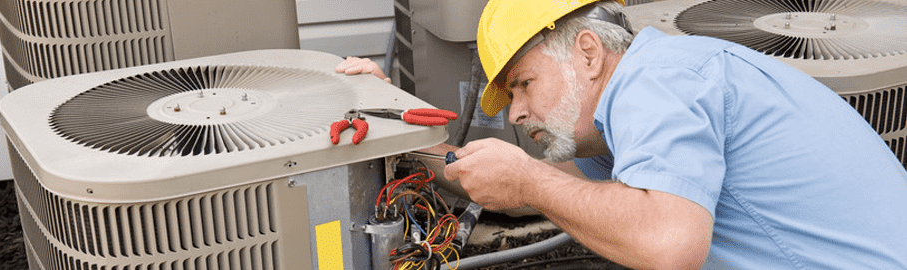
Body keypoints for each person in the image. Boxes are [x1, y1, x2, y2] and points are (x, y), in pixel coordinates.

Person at [336, 0, 907, 268]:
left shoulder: (657, 81)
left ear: (587, 52)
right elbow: (539, 183)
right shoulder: (636, 104)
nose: (515, 113)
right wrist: (395, 122)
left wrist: (530, 181)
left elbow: (667, 245)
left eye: (524, 85)